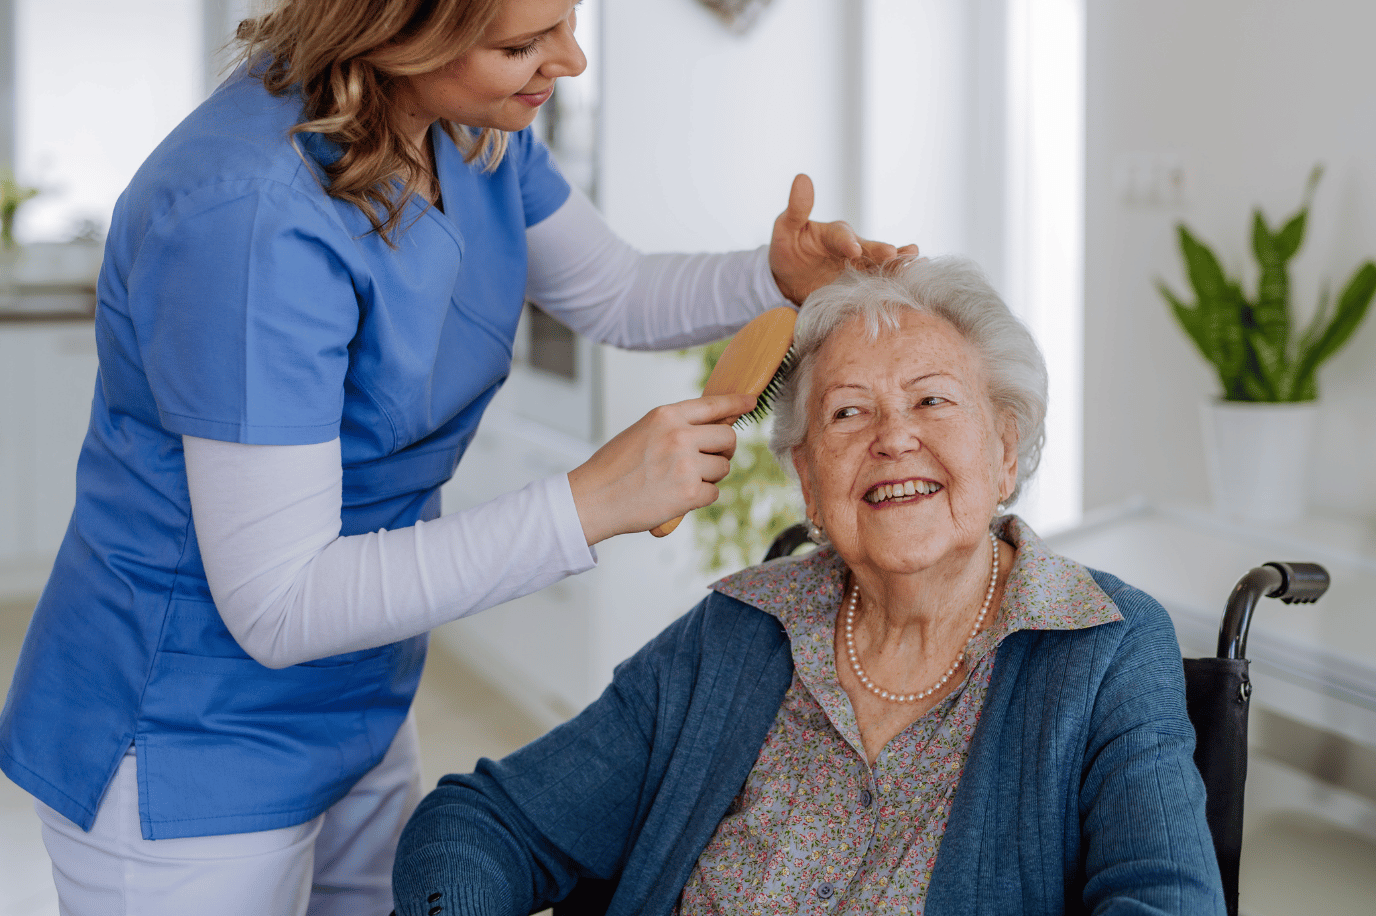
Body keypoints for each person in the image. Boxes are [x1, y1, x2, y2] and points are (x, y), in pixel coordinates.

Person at [0, 1, 913, 913]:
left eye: (566, 19)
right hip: (184, 734)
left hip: (356, 686)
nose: (572, 60)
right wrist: (590, 502)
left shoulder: (463, 131)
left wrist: (772, 277)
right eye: (521, 45)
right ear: (395, 33)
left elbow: (617, 292)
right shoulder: (246, 215)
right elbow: (278, 605)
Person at [391, 256, 1225, 915]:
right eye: (847, 413)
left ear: (1005, 450)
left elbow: (1165, 901)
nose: (894, 437)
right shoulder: (736, 632)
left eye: (932, 400)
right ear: (808, 482)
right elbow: (488, 821)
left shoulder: (1104, 645)